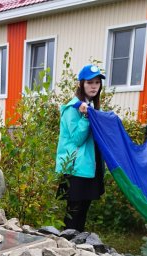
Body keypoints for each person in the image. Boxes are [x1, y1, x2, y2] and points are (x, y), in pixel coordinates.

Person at [55, 64, 105, 232]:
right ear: (81, 84)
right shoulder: (73, 108)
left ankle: (78, 250)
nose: (94, 86)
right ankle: (66, 248)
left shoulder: (92, 106)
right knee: (74, 213)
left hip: (90, 165)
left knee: (83, 211)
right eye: (90, 82)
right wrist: (85, 117)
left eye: (97, 82)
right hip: (76, 167)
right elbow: (77, 139)